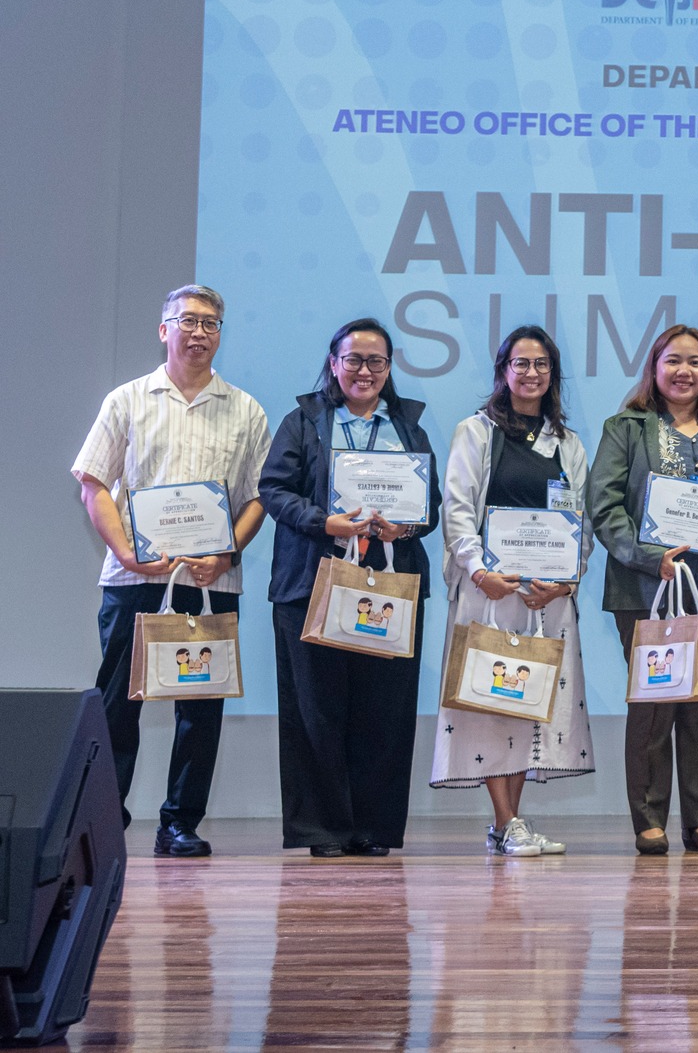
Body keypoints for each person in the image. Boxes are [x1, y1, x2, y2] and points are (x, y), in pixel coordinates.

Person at [73, 285, 270, 858]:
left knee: (201, 707)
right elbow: (93, 484)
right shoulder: (126, 400)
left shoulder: (246, 409)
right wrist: (129, 552)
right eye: (188, 320)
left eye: (211, 323)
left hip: (210, 584)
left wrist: (227, 551)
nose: (200, 332)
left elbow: (259, 497)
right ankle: (104, 821)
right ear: (165, 330)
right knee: (118, 706)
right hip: (134, 578)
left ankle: (180, 823)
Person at [258, 317, 440, 857]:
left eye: (376, 361)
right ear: (334, 363)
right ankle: (322, 830)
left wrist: (404, 526)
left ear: (389, 368)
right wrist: (324, 522)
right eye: (353, 359)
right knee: (315, 709)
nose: (364, 370)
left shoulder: (410, 427)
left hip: (390, 584)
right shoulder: (304, 421)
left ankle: (373, 828)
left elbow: (427, 507)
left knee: (384, 711)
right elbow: (273, 489)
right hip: (311, 584)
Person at [587, 324, 698, 856]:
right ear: (654, 368)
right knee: (654, 705)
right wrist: (647, 557)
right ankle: (649, 820)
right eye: (673, 361)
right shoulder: (625, 427)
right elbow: (605, 506)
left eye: (696, 362)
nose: (684, 371)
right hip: (648, 588)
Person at [431, 326, 595, 855]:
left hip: (544, 599)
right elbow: (456, 513)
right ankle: (505, 821)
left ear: (553, 374)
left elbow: (581, 525)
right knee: (489, 704)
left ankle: (510, 824)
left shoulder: (567, 445)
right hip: (490, 593)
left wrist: (566, 580)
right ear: (503, 371)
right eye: (521, 364)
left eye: (542, 364)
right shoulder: (475, 432)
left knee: (527, 707)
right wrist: (479, 572)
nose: (531, 374)